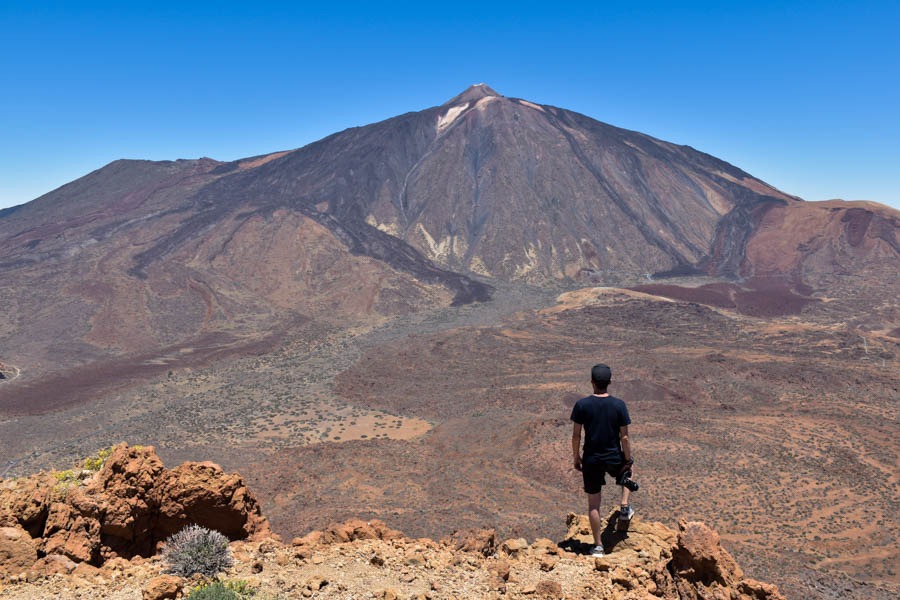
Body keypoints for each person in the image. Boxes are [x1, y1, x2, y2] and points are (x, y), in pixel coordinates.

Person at [570, 363, 634, 557]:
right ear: (609, 382)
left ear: (592, 382)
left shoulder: (582, 405)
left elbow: (576, 435)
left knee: (594, 505)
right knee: (628, 473)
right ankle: (624, 507)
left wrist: (576, 457)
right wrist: (628, 459)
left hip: (591, 458)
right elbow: (624, 437)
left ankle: (598, 546)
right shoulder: (619, 405)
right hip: (614, 455)